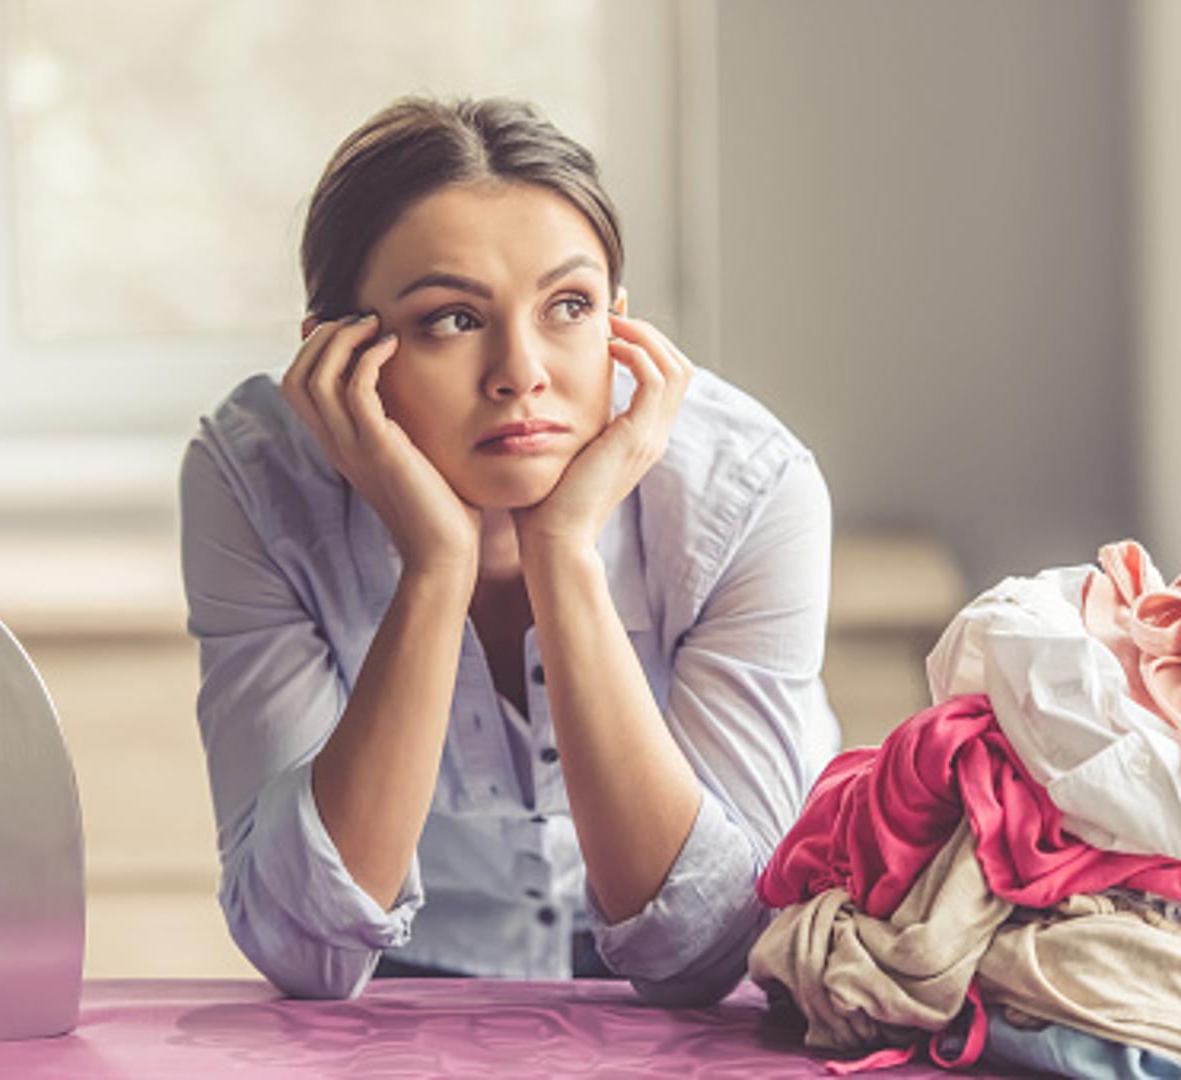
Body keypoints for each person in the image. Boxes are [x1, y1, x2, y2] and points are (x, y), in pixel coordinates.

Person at [179, 96, 840, 1005]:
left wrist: (563, 553)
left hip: (682, 999)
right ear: (337, 355)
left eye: (568, 306)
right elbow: (305, 951)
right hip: (403, 975)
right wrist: (435, 568)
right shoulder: (257, 482)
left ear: (617, 322)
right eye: (451, 319)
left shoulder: (747, 489)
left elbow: (704, 954)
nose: (521, 372)